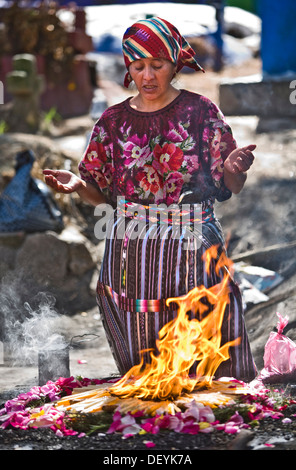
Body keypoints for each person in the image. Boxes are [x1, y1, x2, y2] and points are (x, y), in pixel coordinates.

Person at [43, 17, 257, 381]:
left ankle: (217, 399)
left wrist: (235, 167)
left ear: (174, 63)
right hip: (132, 248)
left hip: (194, 245)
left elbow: (231, 186)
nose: (148, 75)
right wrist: (79, 185)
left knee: (206, 325)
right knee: (143, 347)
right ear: (129, 69)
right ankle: (151, 396)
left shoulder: (201, 112)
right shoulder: (112, 123)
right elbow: (104, 200)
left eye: (157, 65)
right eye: (138, 66)